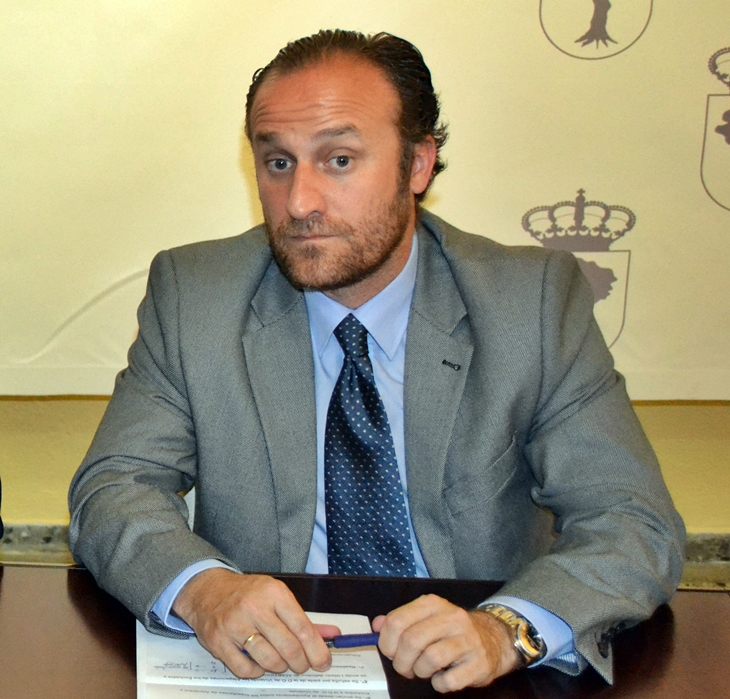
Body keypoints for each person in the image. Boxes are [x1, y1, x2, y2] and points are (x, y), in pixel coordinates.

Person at [68, 29, 684, 693]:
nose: (300, 202)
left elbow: (632, 521)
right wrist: (204, 589)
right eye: (278, 162)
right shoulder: (196, 296)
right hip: (271, 672)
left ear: (417, 164)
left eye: (338, 160)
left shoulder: (528, 303)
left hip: (473, 675)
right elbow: (113, 488)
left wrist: (506, 628)